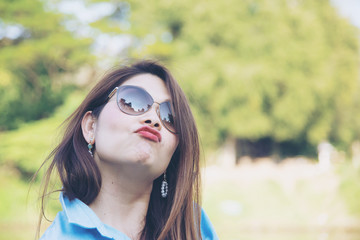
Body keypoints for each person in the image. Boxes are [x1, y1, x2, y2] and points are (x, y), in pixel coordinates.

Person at [36, 60, 218, 240]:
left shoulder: (194, 228)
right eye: (132, 100)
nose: (154, 119)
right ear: (91, 127)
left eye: (169, 116)